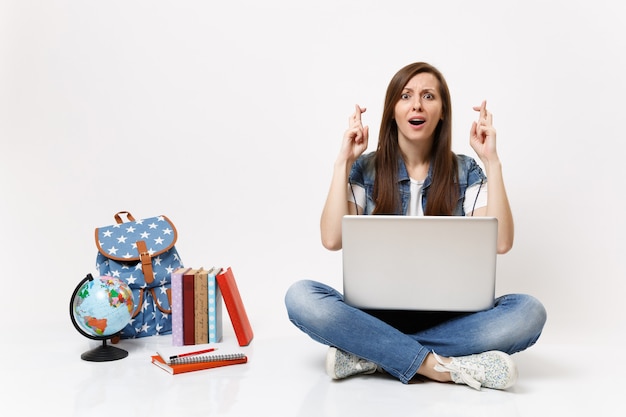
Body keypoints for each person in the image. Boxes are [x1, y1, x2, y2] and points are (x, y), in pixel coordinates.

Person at [284, 62, 547, 390]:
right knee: (301, 296)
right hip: (375, 315)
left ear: (442, 112)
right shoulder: (366, 169)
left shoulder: (465, 171)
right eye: (406, 96)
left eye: (428, 96)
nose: (417, 105)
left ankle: (370, 353)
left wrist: (492, 161)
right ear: (392, 110)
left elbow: (502, 242)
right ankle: (438, 366)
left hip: (451, 319)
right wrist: (343, 162)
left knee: (528, 312)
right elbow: (331, 238)